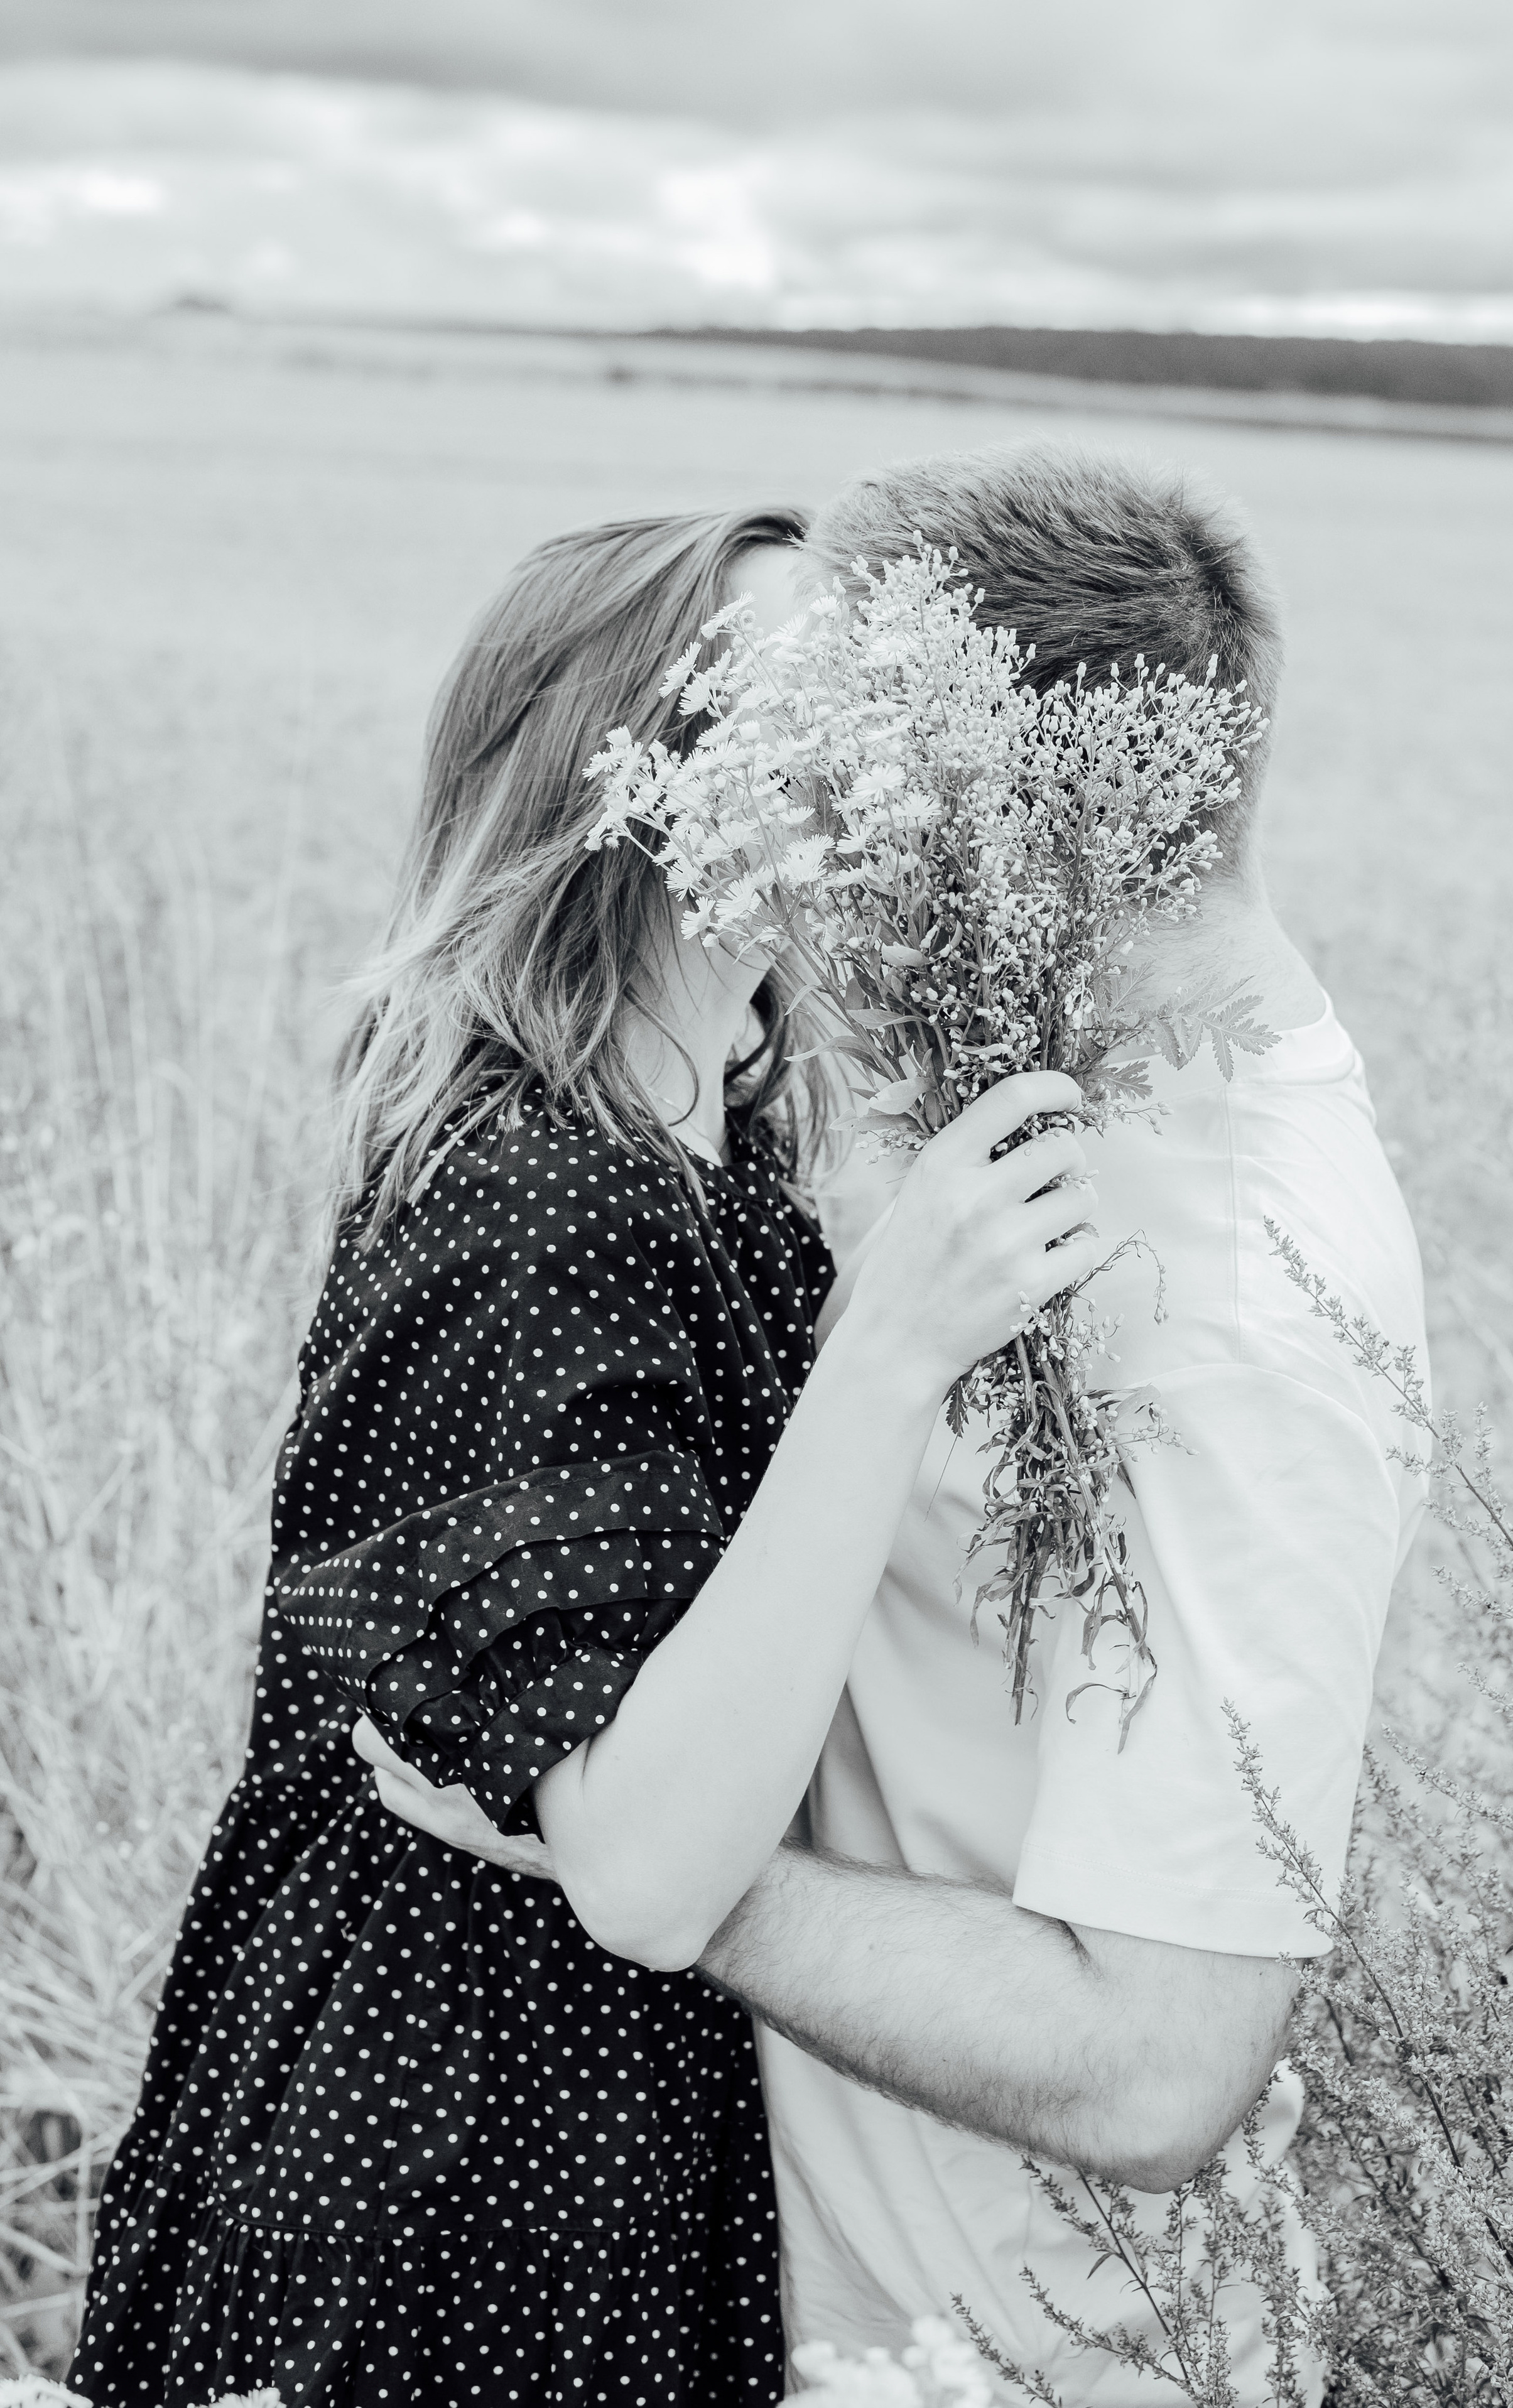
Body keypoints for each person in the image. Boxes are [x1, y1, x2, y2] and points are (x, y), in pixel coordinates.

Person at [373, 447, 1429, 2404]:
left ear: (999, 803)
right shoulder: (1023, 1084)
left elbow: (1158, 2063)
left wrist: (633, 1857)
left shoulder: (1243, 1317)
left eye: (841, 776)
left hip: (1035, 2356)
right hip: (827, 2297)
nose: (797, 843)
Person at [68, 503, 1100, 2407]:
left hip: (578, 2127)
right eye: (813, 706)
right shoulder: (547, 1198)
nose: (872, 751)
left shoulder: (706, 1167)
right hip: (451, 2178)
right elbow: (639, 1860)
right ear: (636, 784)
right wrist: (891, 1352)